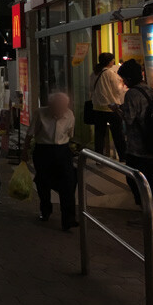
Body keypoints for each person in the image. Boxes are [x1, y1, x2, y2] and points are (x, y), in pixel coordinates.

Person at [111, 59, 153, 218]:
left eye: (124, 78)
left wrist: (116, 110)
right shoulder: (148, 89)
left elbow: (129, 119)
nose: (123, 81)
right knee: (151, 177)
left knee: (135, 178)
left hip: (138, 145)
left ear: (129, 78)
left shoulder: (132, 94)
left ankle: (147, 211)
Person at [22, 93, 78, 231]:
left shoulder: (69, 114)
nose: (61, 110)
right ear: (50, 105)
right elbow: (30, 133)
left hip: (63, 151)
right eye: (58, 107)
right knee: (43, 182)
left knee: (69, 183)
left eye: (63, 107)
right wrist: (25, 150)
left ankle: (68, 219)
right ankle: (45, 210)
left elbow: (70, 134)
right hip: (43, 151)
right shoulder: (40, 113)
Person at [89, 52, 127, 160]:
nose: (114, 62)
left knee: (99, 135)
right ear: (110, 61)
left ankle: (98, 158)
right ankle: (123, 157)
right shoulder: (110, 74)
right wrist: (122, 84)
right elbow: (118, 89)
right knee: (117, 134)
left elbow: (91, 89)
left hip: (97, 108)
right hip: (111, 108)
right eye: (113, 60)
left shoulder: (94, 73)